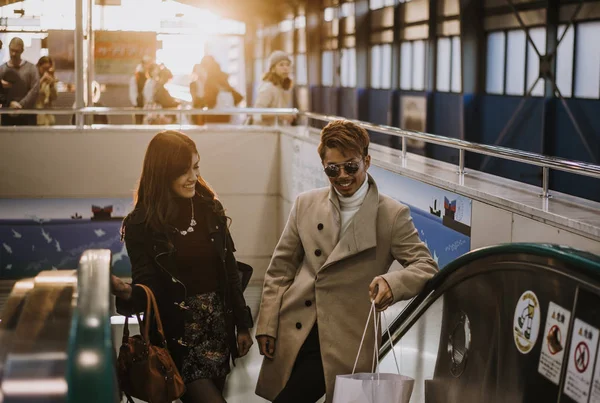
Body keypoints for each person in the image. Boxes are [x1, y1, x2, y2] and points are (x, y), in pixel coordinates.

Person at [254, 120, 439, 403]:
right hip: (295, 328)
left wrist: (392, 282)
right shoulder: (305, 204)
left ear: (367, 161)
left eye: (351, 166)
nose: (342, 175)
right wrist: (267, 324)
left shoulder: (391, 215)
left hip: (347, 337)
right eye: (332, 168)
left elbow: (425, 266)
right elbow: (280, 270)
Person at [110, 130, 254, 403]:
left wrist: (243, 324)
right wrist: (124, 291)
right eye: (183, 170)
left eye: (196, 166)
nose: (193, 177)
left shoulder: (210, 208)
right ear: (163, 172)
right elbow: (148, 285)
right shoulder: (140, 224)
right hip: (178, 336)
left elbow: (230, 271)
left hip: (217, 330)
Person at [189, 55, 243, 125]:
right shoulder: (222, 79)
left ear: (205, 67)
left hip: (215, 120)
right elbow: (238, 97)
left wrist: (200, 102)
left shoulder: (210, 81)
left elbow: (210, 102)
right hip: (229, 119)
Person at [0, 37, 39, 126]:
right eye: (12, 50)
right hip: (7, 113)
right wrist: (9, 103)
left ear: (22, 50)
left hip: (27, 113)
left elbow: (35, 90)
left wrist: (20, 105)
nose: (13, 54)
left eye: (16, 51)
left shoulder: (31, 68)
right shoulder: (2, 69)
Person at [253, 50, 293, 125]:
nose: (285, 68)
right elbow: (257, 113)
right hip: (266, 133)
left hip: (277, 131)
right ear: (273, 69)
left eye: (287, 65)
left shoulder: (282, 87)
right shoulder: (268, 87)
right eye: (281, 65)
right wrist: (281, 115)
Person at [129, 55, 153, 124]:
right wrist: (136, 104)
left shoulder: (150, 76)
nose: (148, 65)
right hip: (139, 105)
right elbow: (133, 92)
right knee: (139, 124)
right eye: (147, 63)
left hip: (148, 105)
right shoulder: (136, 77)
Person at [35, 56, 58, 126]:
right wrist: (41, 80)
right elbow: (32, 92)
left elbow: (55, 97)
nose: (46, 71)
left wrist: (51, 85)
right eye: (44, 69)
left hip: (49, 115)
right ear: (39, 67)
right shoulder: (34, 77)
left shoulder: (50, 78)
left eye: (48, 69)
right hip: (37, 115)